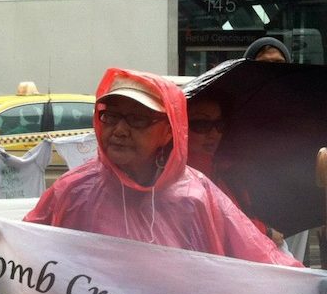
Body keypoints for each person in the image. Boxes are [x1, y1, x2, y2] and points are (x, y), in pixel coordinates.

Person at [23, 67, 300, 267]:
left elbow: (262, 261)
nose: (119, 130)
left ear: (169, 132)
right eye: (111, 116)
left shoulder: (198, 196)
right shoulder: (72, 192)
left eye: (137, 119)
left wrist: (307, 288)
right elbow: (20, 253)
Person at [186, 98, 285, 247]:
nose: (214, 133)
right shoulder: (172, 177)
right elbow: (220, 224)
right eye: (202, 124)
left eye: (219, 125)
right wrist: (266, 232)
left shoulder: (227, 171)